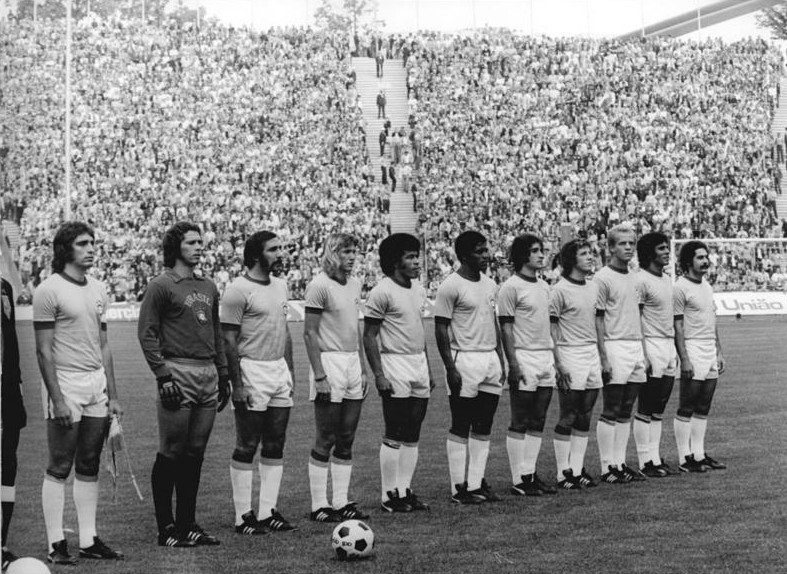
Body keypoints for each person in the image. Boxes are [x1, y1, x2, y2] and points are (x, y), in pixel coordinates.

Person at [33, 222, 124, 564]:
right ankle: (56, 543)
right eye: (83, 243)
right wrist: (57, 398)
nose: (91, 248)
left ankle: (89, 539)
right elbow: (44, 351)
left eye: (92, 242)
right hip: (65, 384)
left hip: (94, 384)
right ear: (65, 249)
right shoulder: (49, 290)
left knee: (89, 463)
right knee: (60, 464)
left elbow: (104, 345)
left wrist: (113, 394)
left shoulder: (99, 289)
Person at [138, 221, 230, 548]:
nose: (199, 246)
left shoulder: (208, 287)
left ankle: (188, 523)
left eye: (200, 241)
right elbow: (146, 333)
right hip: (178, 372)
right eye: (191, 242)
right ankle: (166, 528)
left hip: (207, 374)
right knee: (171, 451)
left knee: (195, 453)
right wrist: (163, 375)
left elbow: (216, 334)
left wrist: (223, 373)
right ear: (176, 247)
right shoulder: (161, 285)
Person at [221, 231, 297, 534]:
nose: (280, 254)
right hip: (251, 369)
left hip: (278, 370)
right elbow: (228, 339)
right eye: (273, 249)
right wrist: (236, 385)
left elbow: (285, 331)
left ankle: (267, 512)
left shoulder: (281, 286)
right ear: (256, 255)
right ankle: (243, 516)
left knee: (276, 441)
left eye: (281, 248)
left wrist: (289, 370)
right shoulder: (238, 290)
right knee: (247, 443)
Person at [363, 233, 433, 513]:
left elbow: (418, 329)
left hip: (418, 364)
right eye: (410, 257)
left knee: (414, 429)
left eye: (417, 256)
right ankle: (388, 494)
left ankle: (405, 490)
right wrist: (379, 374)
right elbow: (369, 335)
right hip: (395, 364)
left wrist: (427, 364)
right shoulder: (382, 291)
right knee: (396, 428)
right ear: (395, 262)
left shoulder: (418, 289)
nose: (417, 262)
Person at [434, 230, 505, 504]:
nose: (486, 255)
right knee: (462, 423)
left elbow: (493, 322)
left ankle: (476, 483)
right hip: (464, 359)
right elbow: (440, 329)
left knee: (484, 424)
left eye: (486, 250)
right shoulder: (450, 286)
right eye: (479, 251)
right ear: (464, 256)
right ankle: (458, 488)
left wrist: (500, 357)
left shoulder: (489, 284)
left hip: (489, 359)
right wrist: (450, 367)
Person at [303, 233, 370, 523]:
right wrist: (319, 375)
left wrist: (364, 368)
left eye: (355, 251)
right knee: (326, 436)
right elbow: (310, 332)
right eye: (346, 251)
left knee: (347, 437)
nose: (352, 257)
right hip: (329, 362)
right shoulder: (319, 285)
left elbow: (355, 326)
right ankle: (320, 504)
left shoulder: (355, 284)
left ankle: (341, 501)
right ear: (333, 253)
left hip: (352, 362)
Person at [497, 234, 557, 496]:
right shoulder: (510, 287)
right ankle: (518, 479)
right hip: (523, 355)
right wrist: (513, 363)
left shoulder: (544, 286)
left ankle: (529, 474)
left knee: (539, 418)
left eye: (542, 250)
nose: (541, 255)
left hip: (545, 355)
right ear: (523, 256)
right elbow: (506, 329)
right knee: (520, 418)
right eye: (535, 251)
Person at [594, 224, 647, 484]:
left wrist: (643, 351)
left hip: (635, 346)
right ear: (611, 247)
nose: (628, 248)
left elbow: (637, 315)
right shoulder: (602, 278)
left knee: (627, 408)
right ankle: (607, 467)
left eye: (631, 243)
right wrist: (603, 355)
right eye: (623, 243)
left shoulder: (636, 277)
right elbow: (598, 319)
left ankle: (620, 463)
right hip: (614, 345)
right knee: (612, 407)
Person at [549, 239, 602, 490]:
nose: (590, 257)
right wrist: (558, 362)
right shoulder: (559, 290)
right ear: (572, 260)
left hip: (591, 353)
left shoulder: (593, 287)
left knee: (585, 414)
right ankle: (563, 473)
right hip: (570, 353)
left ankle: (578, 470)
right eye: (584, 254)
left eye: (591, 253)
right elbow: (551, 327)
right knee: (569, 413)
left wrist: (602, 355)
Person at [673, 241, 727, 472]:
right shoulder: (680, 287)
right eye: (700, 257)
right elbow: (677, 326)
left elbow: (712, 320)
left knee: (704, 405)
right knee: (687, 404)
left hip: (708, 349)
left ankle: (698, 453)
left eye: (706, 257)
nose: (706, 261)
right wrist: (684, 358)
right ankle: (685, 458)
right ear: (688, 262)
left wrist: (719, 350)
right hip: (692, 348)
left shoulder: (706, 285)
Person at [632, 232, 679, 477]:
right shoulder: (640, 280)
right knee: (647, 404)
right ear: (650, 252)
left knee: (659, 405)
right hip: (651, 344)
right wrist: (643, 352)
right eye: (661, 248)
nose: (666, 252)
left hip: (668, 344)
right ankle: (644, 462)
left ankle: (655, 456)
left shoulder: (667, 279)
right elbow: (636, 316)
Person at [2, 278, 26, 569]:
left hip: (7, 388)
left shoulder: (4, 287)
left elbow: (11, 339)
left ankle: (2, 542)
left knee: (8, 463)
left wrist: (16, 380)